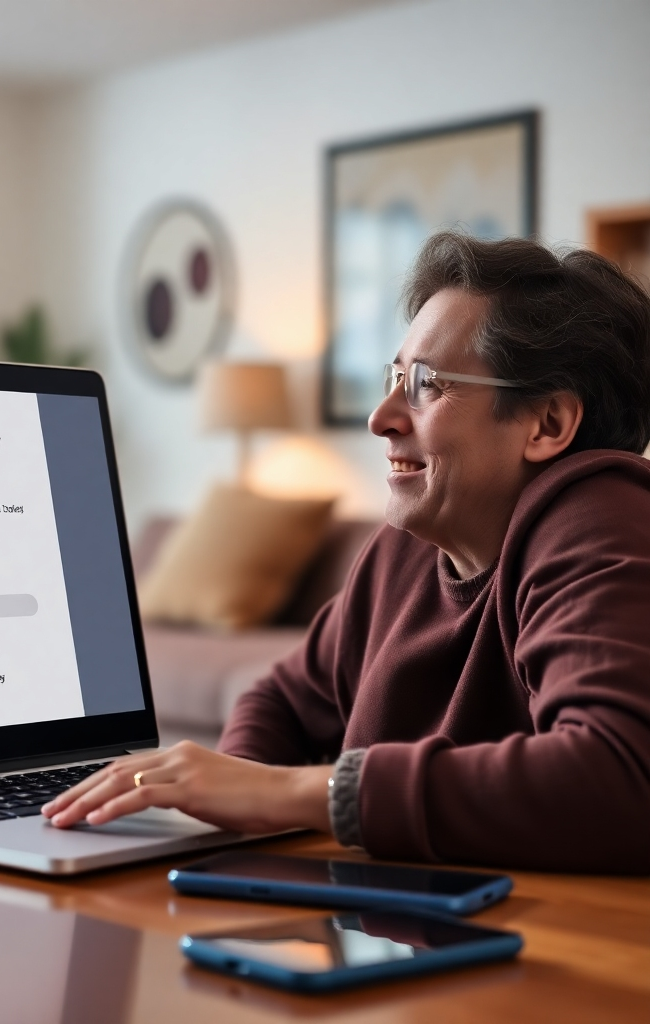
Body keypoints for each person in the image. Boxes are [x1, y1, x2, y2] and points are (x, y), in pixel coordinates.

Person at [42, 231, 650, 872]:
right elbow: (282, 698)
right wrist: (237, 793)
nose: (382, 416)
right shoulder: (404, 550)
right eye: (395, 377)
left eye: (427, 384)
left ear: (548, 424)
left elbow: (616, 776)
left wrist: (299, 792)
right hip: (410, 932)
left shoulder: (603, 518)